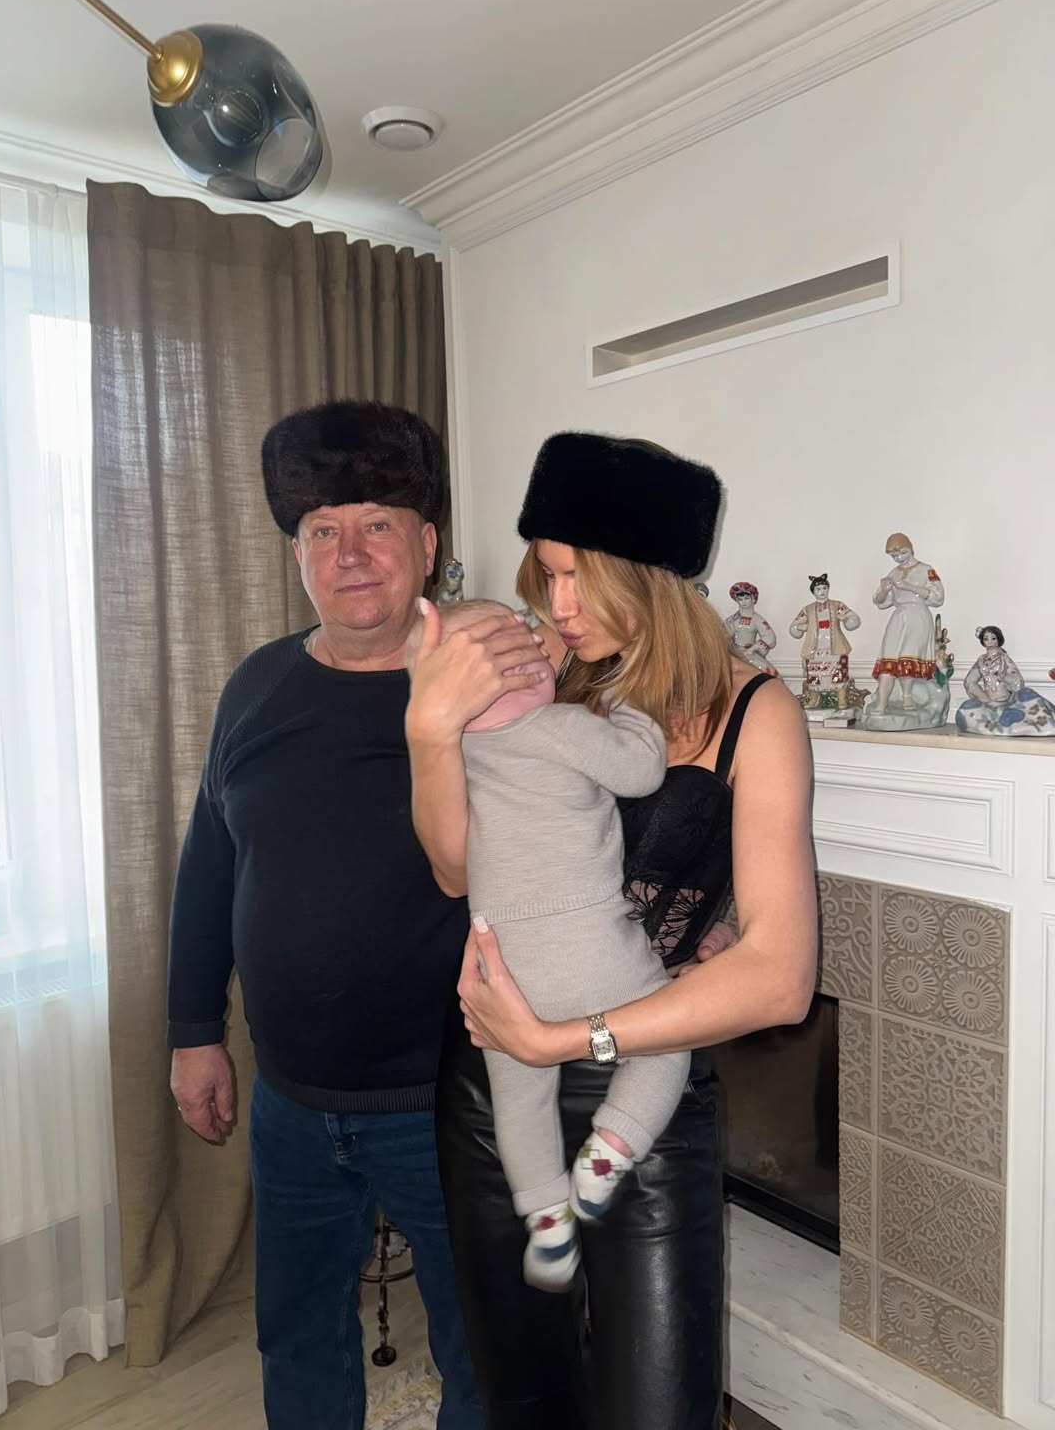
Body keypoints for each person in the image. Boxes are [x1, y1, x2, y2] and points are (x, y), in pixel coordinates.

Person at [406, 431, 817, 1430]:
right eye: (546, 575)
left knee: (656, 1407)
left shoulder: (756, 713)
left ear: (655, 579)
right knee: (528, 1401)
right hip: (495, 1083)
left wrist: (567, 1039)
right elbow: (455, 868)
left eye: (578, 578)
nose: (556, 607)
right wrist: (429, 730)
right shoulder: (551, 679)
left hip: (644, 1086)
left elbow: (782, 978)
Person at [166, 400, 551, 1430]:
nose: (350, 554)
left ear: (427, 543)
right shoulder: (257, 685)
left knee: (484, 1351)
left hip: (451, 1100)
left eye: (377, 523)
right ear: (296, 553)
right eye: (322, 530)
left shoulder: (496, 686)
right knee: (295, 1339)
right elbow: (209, 865)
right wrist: (194, 1032)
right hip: (291, 1103)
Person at [407, 598, 689, 1293]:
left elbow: (449, 862)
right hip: (592, 951)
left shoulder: (460, 754)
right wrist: (627, 707)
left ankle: (546, 1218)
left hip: (501, 970)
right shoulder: (562, 727)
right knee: (667, 1038)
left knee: (519, 1094)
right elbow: (641, 771)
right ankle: (610, 1150)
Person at [868, 531, 945, 714]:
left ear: (910, 548)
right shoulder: (894, 573)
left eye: (903, 553)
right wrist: (884, 590)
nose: (899, 558)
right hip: (899, 615)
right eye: (895, 556)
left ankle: (907, 696)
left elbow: (938, 597)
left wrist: (909, 587)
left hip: (917, 615)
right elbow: (881, 602)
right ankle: (881, 703)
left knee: (907, 655)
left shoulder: (927, 570)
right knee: (889, 657)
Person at [788, 573, 861, 710]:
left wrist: (845, 619)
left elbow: (854, 619)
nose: (821, 591)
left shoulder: (837, 605)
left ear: (828, 589)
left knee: (838, 672)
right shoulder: (808, 609)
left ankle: (841, 699)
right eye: (818, 589)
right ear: (813, 592)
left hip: (835, 645)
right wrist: (799, 627)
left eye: (824, 588)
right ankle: (813, 698)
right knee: (815, 673)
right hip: (815, 646)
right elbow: (793, 627)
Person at [724, 581, 778, 676]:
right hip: (733, 653)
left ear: (753, 599)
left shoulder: (757, 619)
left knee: (769, 673)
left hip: (749, 653)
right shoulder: (731, 619)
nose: (743, 602)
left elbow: (770, 637)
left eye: (746, 598)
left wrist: (753, 649)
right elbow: (723, 635)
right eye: (740, 599)